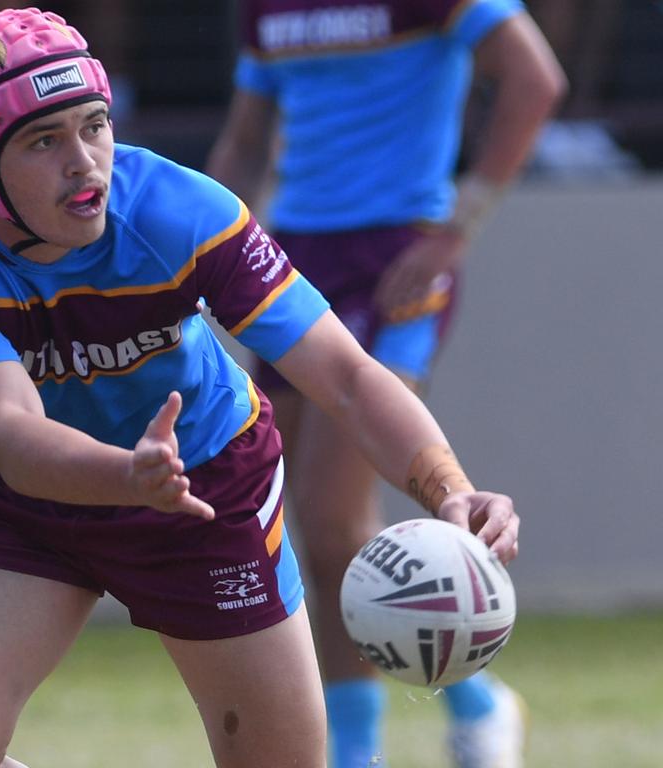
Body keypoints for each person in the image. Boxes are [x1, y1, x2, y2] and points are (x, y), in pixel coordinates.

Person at [0, 8, 520, 767]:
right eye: (45, 141)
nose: (85, 163)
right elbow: (11, 435)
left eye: (94, 125)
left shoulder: (182, 211)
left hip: (207, 491)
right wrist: (127, 475)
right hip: (26, 502)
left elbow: (344, 378)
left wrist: (448, 489)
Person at [206, 2, 565, 767]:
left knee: (332, 516)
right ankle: (476, 699)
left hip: (397, 255)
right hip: (291, 260)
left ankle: (360, 752)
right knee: (313, 524)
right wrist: (197, 255)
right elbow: (244, 142)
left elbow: (536, 79)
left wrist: (458, 229)